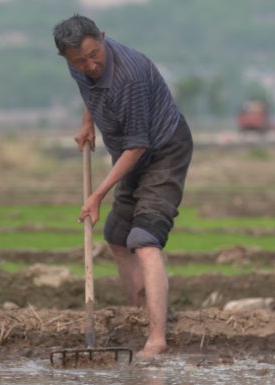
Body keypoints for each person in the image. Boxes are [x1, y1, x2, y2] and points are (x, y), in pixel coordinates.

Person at [53, 14, 192, 359]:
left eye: (93, 54)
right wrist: (88, 123)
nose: (90, 64)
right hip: (128, 150)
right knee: (117, 237)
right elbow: (89, 89)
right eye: (79, 61)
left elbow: (138, 147)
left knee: (144, 240)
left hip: (162, 150)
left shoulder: (128, 76)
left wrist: (98, 194)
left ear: (102, 36)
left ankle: (157, 338)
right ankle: (139, 312)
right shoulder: (78, 64)